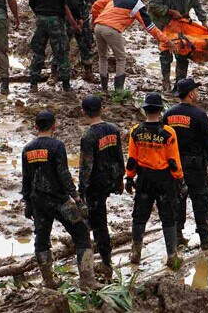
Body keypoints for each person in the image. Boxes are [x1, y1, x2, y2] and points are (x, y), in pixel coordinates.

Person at [21, 111, 97, 290]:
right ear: (54, 126)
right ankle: (87, 280)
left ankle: (48, 281)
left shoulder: (27, 149)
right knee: (81, 233)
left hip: (38, 202)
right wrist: (76, 197)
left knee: (42, 239)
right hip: (60, 201)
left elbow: (26, 178)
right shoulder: (57, 146)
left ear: (35, 126)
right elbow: (64, 174)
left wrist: (27, 203)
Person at [125, 93, 185, 269]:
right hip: (164, 180)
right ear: (160, 110)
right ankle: (172, 256)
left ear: (145, 110)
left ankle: (136, 253)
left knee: (139, 216)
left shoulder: (136, 131)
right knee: (168, 217)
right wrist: (180, 179)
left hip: (144, 179)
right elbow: (173, 160)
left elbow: (132, 159)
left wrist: (129, 177)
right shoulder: (168, 132)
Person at [163, 78, 208, 248]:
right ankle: (205, 238)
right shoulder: (199, 115)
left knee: (177, 199)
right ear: (190, 94)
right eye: (196, 90)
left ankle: (177, 237)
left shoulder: (168, 115)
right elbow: (207, 140)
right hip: (195, 165)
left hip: (174, 165)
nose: (197, 93)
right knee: (201, 199)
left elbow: (163, 140)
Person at [92, 0, 177, 92]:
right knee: (121, 59)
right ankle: (119, 91)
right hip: (112, 30)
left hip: (98, 27)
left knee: (102, 57)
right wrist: (167, 41)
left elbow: (96, 5)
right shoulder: (138, 5)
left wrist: (94, 21)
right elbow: (150, 27)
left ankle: (104, 89)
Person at [77, 95, 125, 280]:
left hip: (95, 185)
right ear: (102, 109)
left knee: (96, 225)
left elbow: (86, 167)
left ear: (83, 112)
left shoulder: (88, 137)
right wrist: (120, 179)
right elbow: (119, 156)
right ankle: (105, 259)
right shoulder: (113, 129)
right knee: (100, 221)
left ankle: (105, 263)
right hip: (110, 179)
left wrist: (81, 192)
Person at [149, 0, 208, 94]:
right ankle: (166, 82)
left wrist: (204, 23)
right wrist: (169, 11)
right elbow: (152, 4)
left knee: (183, 51)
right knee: (165, 52)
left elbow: (197, 5)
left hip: (181, 23)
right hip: (164, 23)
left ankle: (180, 83)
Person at [28, 0, 81, 92]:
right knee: (61, 52)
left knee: (38, 51)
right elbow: (72, 3)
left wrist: (39, 14)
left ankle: (33, 83)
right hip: (56, 20)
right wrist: (78, 18)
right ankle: (66, 85)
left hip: (41, 19)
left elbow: (32, 2)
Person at [68, 0, 100, 82]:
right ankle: (56, 72)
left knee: (86, 44)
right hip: (69, 16)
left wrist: (97, 15)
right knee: (62, 44)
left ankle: (88, 72)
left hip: (84, 16)